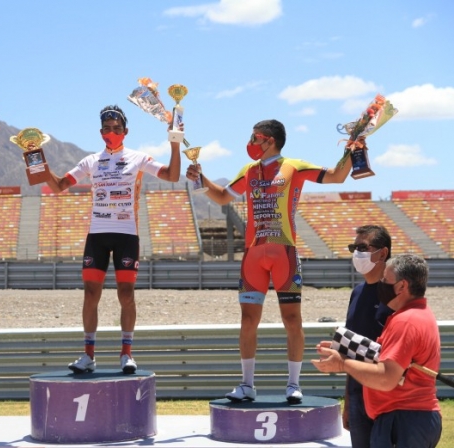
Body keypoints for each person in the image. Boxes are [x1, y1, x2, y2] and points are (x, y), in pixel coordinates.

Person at [185, 119, 355, 403]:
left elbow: (338, 176)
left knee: (292, 320)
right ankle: (247, 385)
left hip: (284, 251)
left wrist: (353, 147)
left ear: (270, 140)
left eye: (255, 137)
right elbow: (224, 197)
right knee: (248, 320)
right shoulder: (249, 171)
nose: (251, 142)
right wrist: (201, 179)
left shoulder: (294, 167)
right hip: (253, 253)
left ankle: (293, 384)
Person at [45, 105, 181, 374]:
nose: (111, 132)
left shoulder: (138, 158)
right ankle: (88, 355)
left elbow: (172, 175)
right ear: (100, 132)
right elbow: (59, 185)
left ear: (126, 132)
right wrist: (37, 159)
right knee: (90, 295)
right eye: (107, 129)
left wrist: (175, 143)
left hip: (126, 235)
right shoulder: (91, 161)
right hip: (97, 234)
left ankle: (127, 353)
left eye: (116, 129)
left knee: (126, 295)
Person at [312, 254, 442, 447]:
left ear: (402, 286)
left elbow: (386, 378)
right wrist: (348, 349)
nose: (381, 285)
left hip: (403, 420)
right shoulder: (419, 315)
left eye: (385, 280)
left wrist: (342, 363)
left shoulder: (406, 321)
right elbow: (389, 360)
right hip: (410, 420)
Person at [344, 225, 393, 447]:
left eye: (362, 247)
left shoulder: (396, 293)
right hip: (357, 396)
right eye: (354, 247)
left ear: (382, 253)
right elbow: (348, 351)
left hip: (387, 397)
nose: (357, 253)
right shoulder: (356, 292)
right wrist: (348, 402)